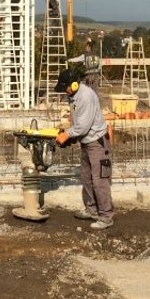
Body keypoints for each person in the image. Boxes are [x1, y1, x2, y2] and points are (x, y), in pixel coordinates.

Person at [54, 68, 114, 230]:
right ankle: (92, 210)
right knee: (87, 177)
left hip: (97, 143)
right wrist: (69, 131)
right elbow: (77, 120)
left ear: (73, 84)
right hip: (86, 142)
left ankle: (106, 216)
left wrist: (67, 135)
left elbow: (82, 126)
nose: (64, 91)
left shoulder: (86, 96)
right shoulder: (73, 96)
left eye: (65, 87)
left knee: (100, 180)